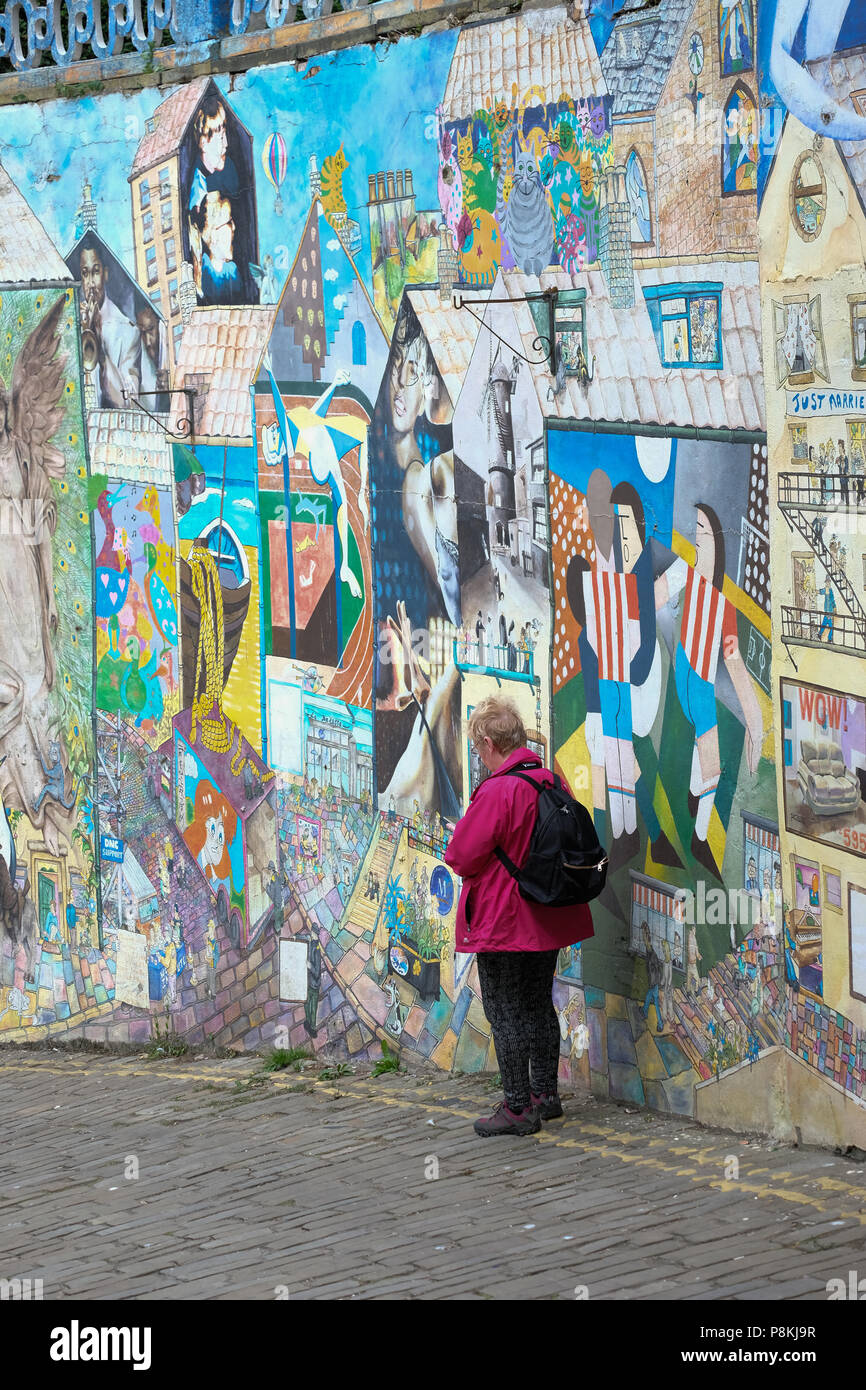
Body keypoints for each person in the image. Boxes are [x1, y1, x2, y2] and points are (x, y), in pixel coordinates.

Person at [444, 696, 594, 1136]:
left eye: (478, 750)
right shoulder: (549, 782)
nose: (479, 757)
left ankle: (516, 1107)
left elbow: (461, 855)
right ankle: (545, 1095)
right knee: (536, 1004)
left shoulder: (498, 790)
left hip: (504, 921)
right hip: (546, 917)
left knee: (505, 1011)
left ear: (489, 743)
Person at [79, 244, 141, 408]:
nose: (91, 283)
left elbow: (129, 402)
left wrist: (99, 352)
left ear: (105, 274)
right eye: (85, 274)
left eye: (96, 272)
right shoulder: (72, 322)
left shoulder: (128, 331)